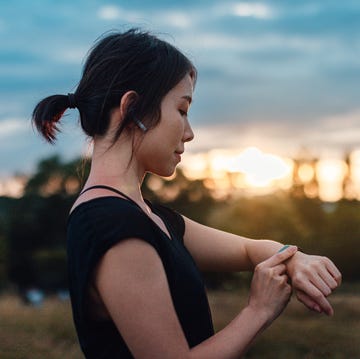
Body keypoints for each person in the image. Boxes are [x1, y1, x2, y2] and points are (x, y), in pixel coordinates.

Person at [32, 28, 341, 358]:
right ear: (133, 108)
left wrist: (296, 260)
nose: (190, 133)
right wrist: (258, 311)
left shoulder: (147, 217)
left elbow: (250, 250)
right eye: (182, 110)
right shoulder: (115, 227)